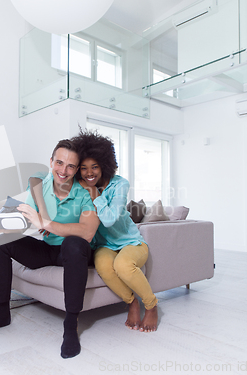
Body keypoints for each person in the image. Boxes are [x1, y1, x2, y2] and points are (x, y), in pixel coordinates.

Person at [0, 139, 99, 359]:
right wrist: (0, 222)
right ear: (51, 162)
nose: (63, 170)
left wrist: (47, 224)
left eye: (70, 166)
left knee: (74, 242)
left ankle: (70, 326)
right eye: (59, 163)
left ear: (77, 169)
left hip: (73, 252)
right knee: (2, 241)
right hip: (48, 249)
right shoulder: (40, 187)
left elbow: (87, 232)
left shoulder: (85, 193)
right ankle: (1, 313)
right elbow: (25, 217)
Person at [70, 129, 159, 332]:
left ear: (105, 164)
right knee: (103, 265)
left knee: (124, 265)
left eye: (94, 167)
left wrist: (94, 194)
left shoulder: (120, 184)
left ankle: (151, 305)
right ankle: (131, 303)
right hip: (104, 245)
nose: (89, 173)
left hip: (131, 242)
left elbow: (109, 219)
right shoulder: (79, 187)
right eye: (83, 168)